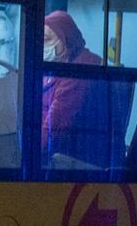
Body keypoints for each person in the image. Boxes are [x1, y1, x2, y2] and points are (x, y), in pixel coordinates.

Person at [42, 9, 110, 165]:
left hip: (79, 161)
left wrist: (24, 154)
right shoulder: (58, 65)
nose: (41, 47)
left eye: (46, 40)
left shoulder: (81, 70)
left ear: (66, 38)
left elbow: (55, 127)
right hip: (59, 153)